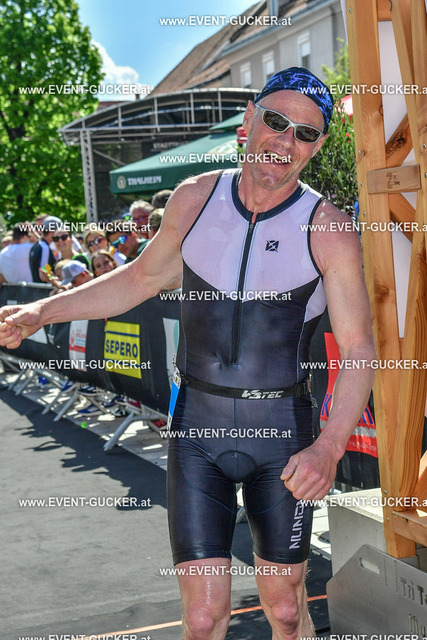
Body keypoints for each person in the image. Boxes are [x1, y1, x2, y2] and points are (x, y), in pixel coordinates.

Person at [0, 68, 376, 640]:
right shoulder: (196, 198)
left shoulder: (328, 227)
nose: (285, 141)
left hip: (283, 434)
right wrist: (42, 312)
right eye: (276, 121)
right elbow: (138, 279)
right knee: (201, 619)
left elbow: (358, 347)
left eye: (304, 133)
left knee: (284, 610)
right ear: (249, 119)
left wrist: (328, 447)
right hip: (197, 429)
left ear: (318, 145)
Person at [29, 215, 62, 283]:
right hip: (42, 288)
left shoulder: (37, 245)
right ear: (52, 231)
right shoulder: (44, 248)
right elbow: (44, 273)